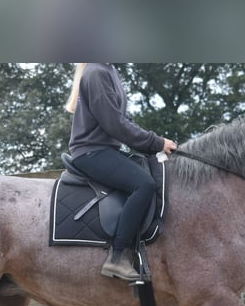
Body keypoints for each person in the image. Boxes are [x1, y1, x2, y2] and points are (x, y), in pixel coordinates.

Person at [65, 63, 177, 281]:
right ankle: (117, 258)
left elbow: (123, 119)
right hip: (91, 152)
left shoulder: (109, 71)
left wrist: (153, 143)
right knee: (143, 184)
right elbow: (114, 124)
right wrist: (155, 142)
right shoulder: (96, 72)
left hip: (105, 150)